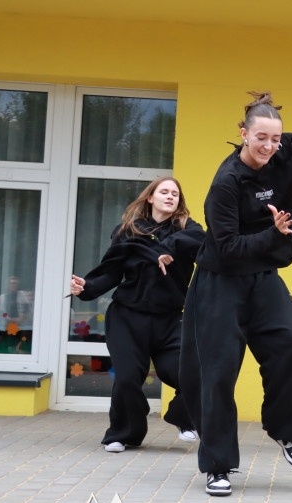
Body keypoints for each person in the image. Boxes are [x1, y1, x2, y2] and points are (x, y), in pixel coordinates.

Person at [179, 91, 292, 497]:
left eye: (275, 139)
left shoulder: (289, 149)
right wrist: (271, 234)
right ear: (243, 134)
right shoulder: (226, 183)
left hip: (263, 277)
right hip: (220, 282)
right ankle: (217, 466)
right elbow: (228, 247)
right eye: (261, 139)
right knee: (217, 373)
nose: (270, 147)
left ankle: (286, 432)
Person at [69, 177, 203, 453]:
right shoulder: (128, 231)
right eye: (163, 192)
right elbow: (110, 272)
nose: (170, 196)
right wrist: (86, 288)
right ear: (150, 198)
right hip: (128, 318)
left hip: (170, 321)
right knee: (128, 378)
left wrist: (168, 247)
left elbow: (203, 241)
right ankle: (124, 432)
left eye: (175, 194)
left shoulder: (189, 229)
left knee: (190, 372)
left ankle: (183, 417)